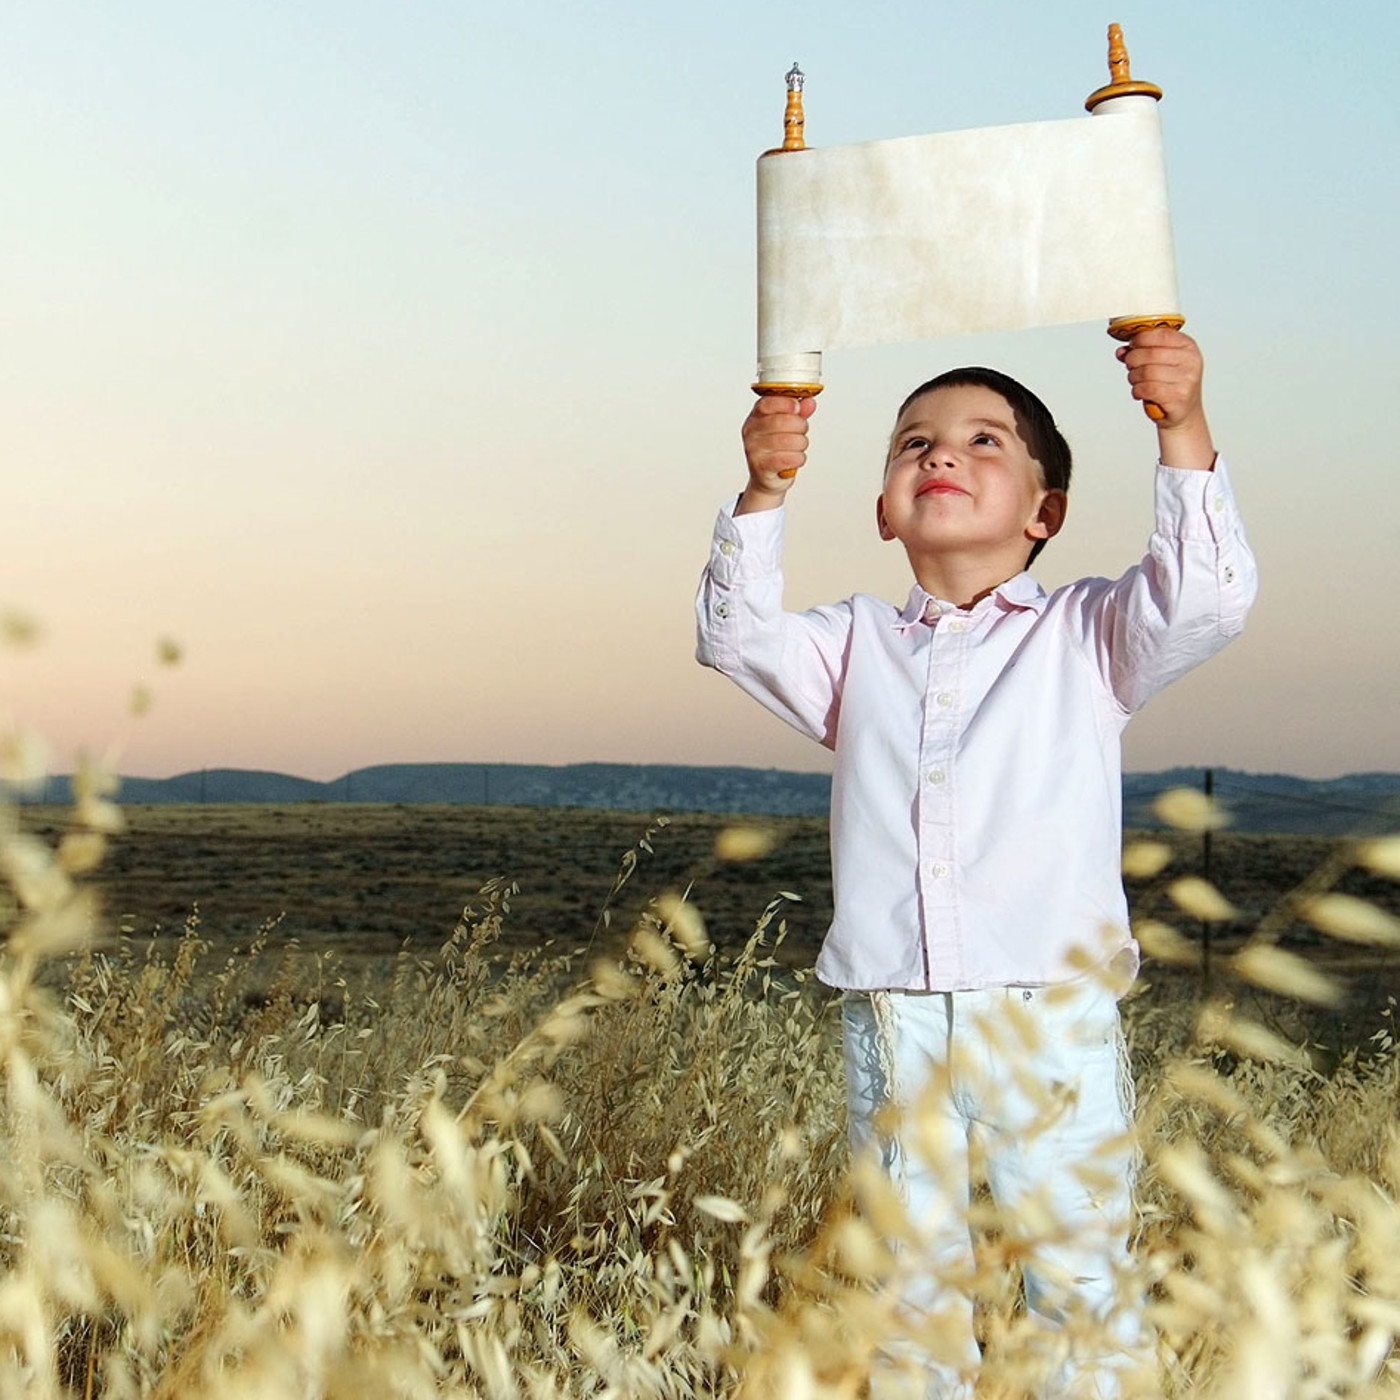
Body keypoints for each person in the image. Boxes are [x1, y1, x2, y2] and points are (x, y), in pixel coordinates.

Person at [695, 329, 1256, 1398]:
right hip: (892, 1011)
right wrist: (764, 487)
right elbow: (735, 634)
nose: (941, 453)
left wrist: (1179, 422)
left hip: (1045, 1012)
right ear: (883, 509)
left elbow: (1205, 598)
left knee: (1074, 1276)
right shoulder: (854, 643)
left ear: (1045, 511)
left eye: (984, 440)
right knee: (903, 1282)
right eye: (913, 442)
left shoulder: (1087, 634)